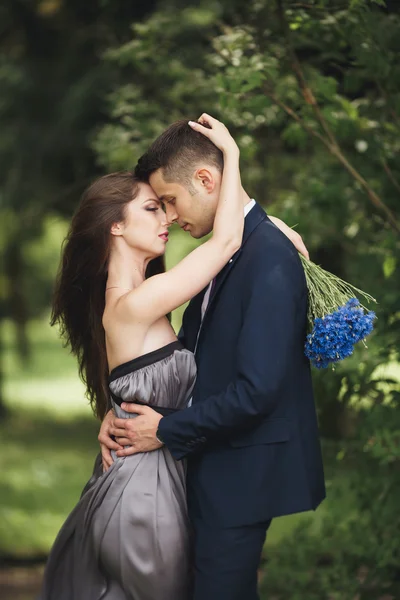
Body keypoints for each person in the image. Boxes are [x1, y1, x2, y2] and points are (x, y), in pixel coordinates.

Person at [39, 115, 304, 600]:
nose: (166, 218)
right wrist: (233, 157)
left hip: (155, 481)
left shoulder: (142, 296)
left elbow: (150, 372)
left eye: (165, 205)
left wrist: (114, 411)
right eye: (151, 208)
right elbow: (226, 242)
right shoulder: (139, 301)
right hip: (143, 495)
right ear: (116, 226)